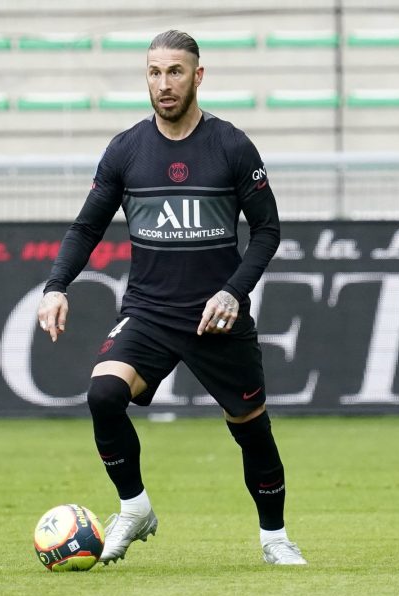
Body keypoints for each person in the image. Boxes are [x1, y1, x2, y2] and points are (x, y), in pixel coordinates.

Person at [36, 30, 306, 566]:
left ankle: (275, 538)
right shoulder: (126, 149)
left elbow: (268, 230)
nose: (165, 84)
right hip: (149, 313)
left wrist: (233, 291)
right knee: (103, 396)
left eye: (176, 71)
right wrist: (55, 286)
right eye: (155, 73)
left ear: (198, 76)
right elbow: (87, 226)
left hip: (217, 320)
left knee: (251, 431)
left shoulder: (231, 145)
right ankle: (134, 508)